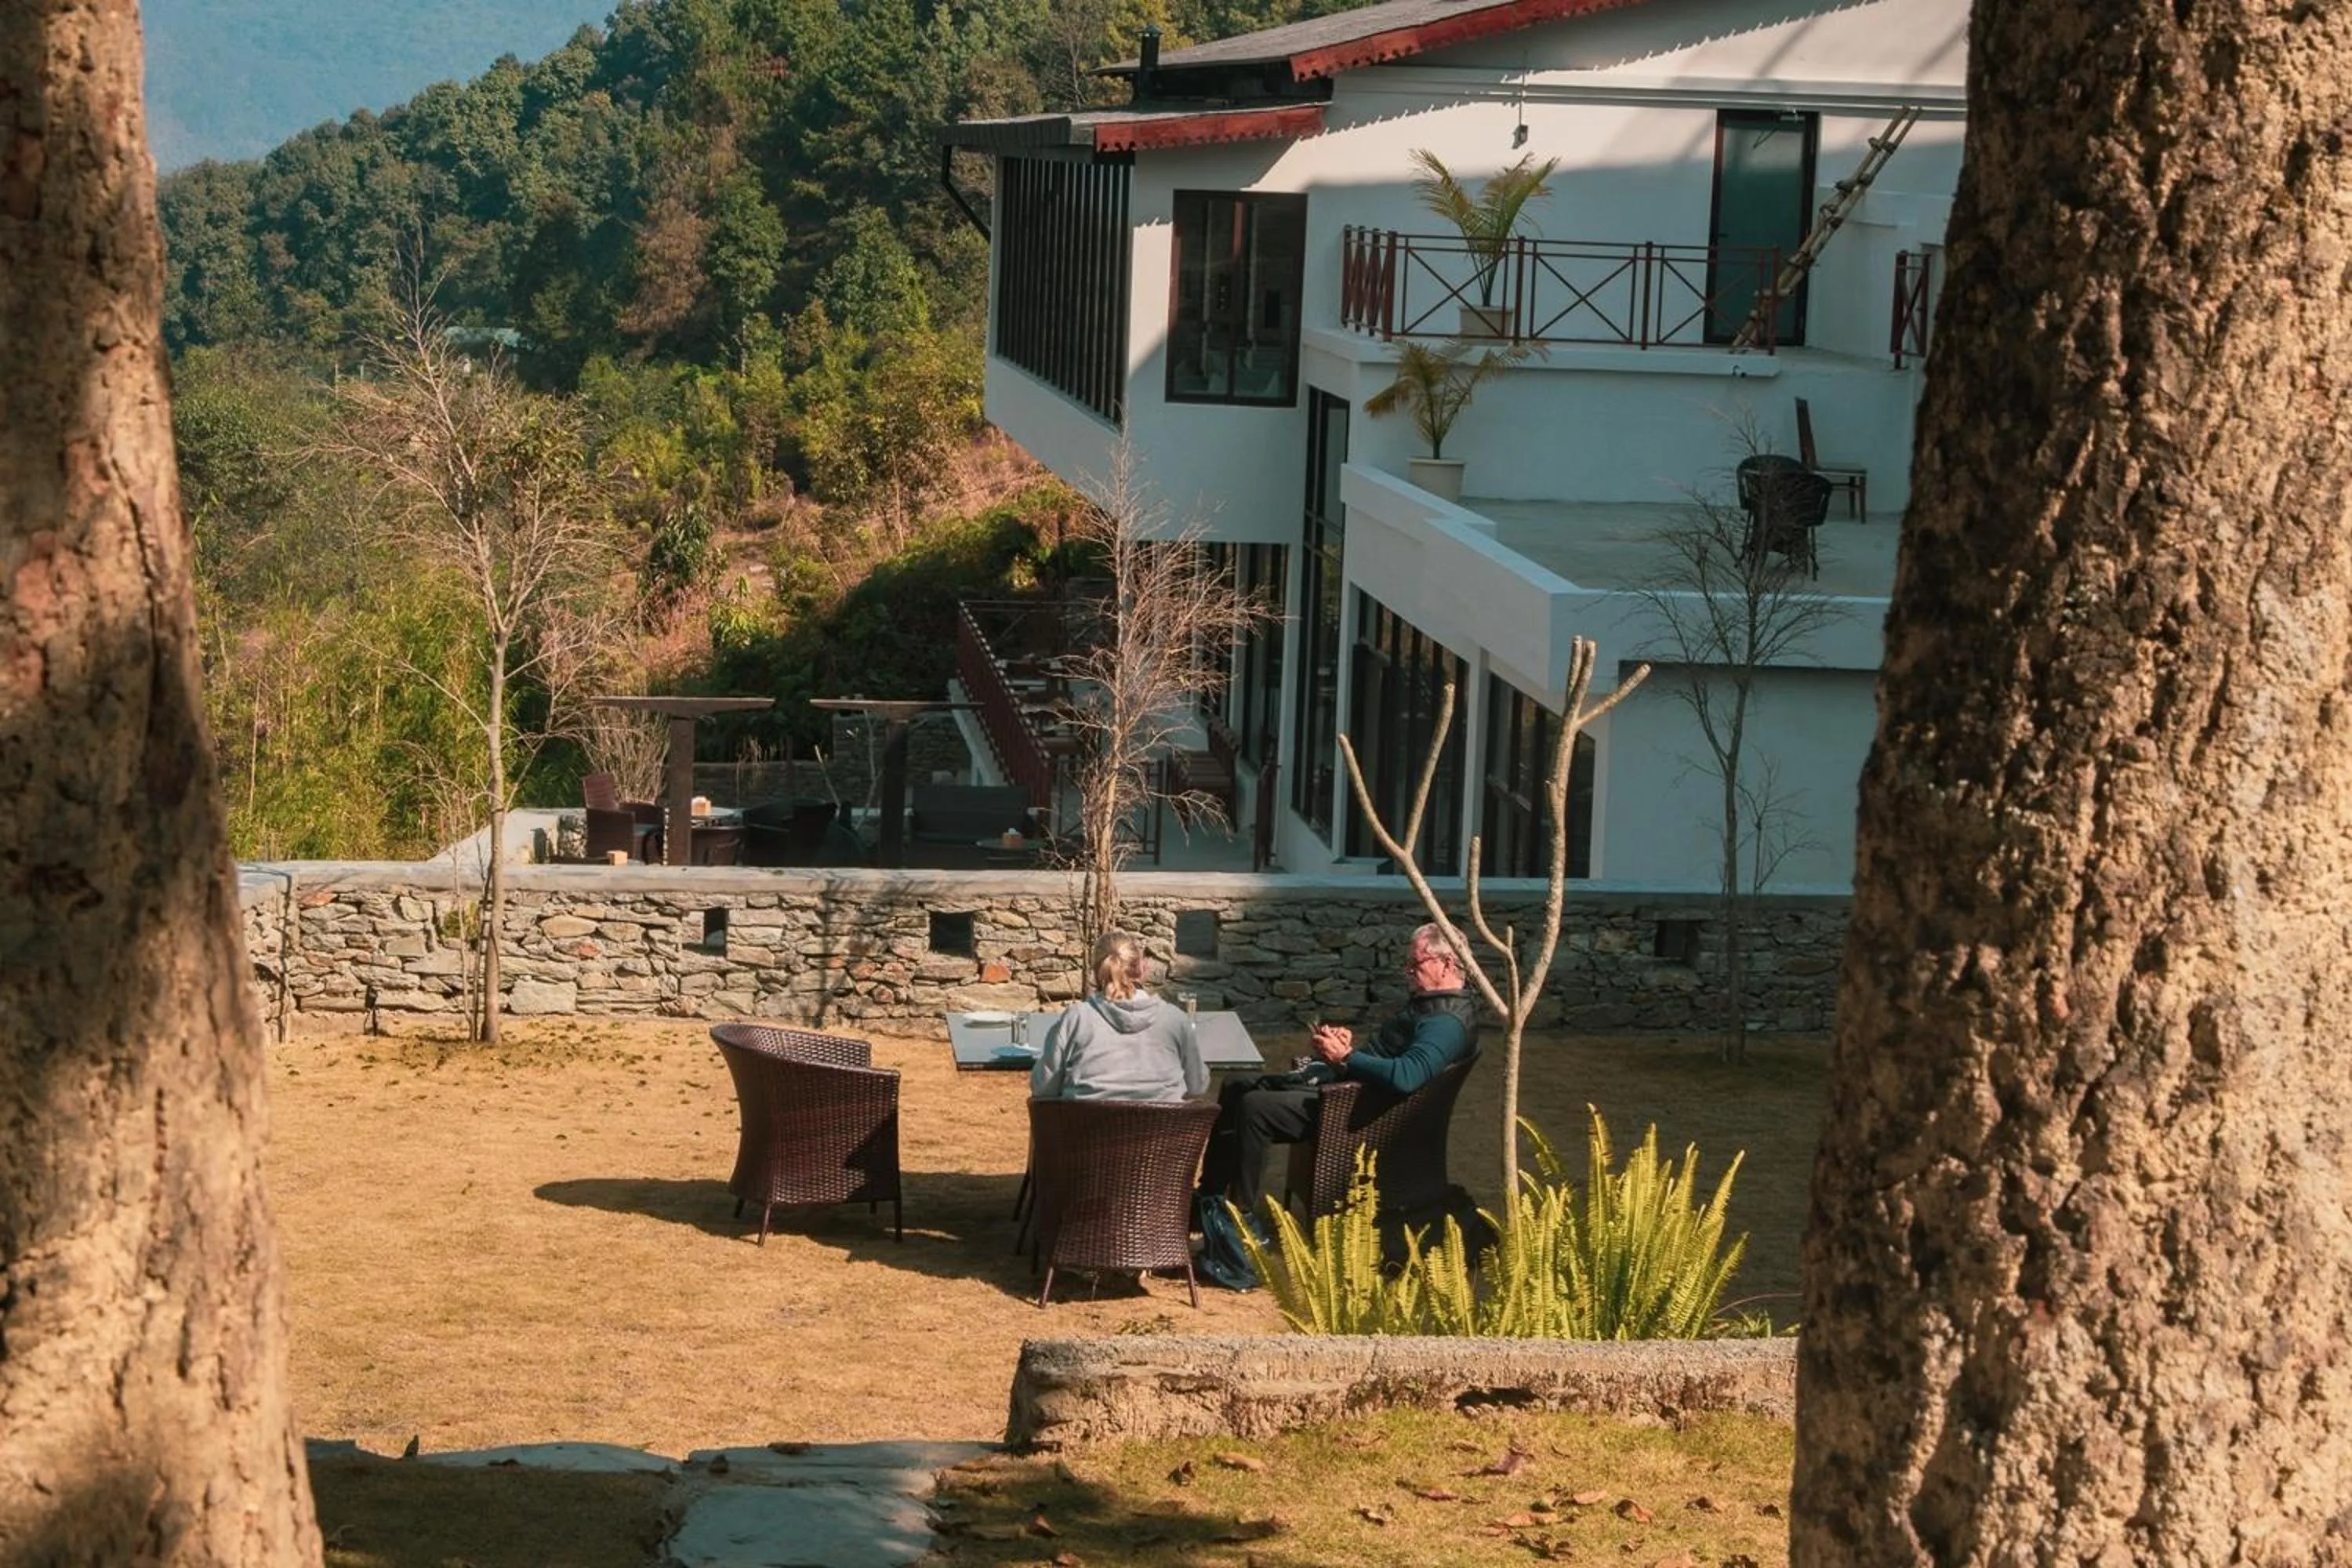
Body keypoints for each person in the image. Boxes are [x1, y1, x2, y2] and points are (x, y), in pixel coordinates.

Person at [1196, 921, 1481, 1228]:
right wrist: (1348, 1052)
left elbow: (1407, 1076)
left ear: (1447, 964)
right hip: (1358, 1091)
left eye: (1416, 964)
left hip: (1359, 1113)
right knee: (1237, 1082)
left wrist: (1347, 1057)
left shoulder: (1446, 1023)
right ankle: (1209, 1197)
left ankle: (1242, 1220)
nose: (1408, 972)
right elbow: (1393, 1059)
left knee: (1255, 1108)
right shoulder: (1433, 1008)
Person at [1029, 931, 1208, 1103]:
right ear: (1142, 969)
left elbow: (1044, 1088)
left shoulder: (1076, 1019)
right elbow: (1198, 1086)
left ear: (1096, 972)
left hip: (1089, 1132)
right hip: (1161, 1133)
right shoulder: (1175, 1020)